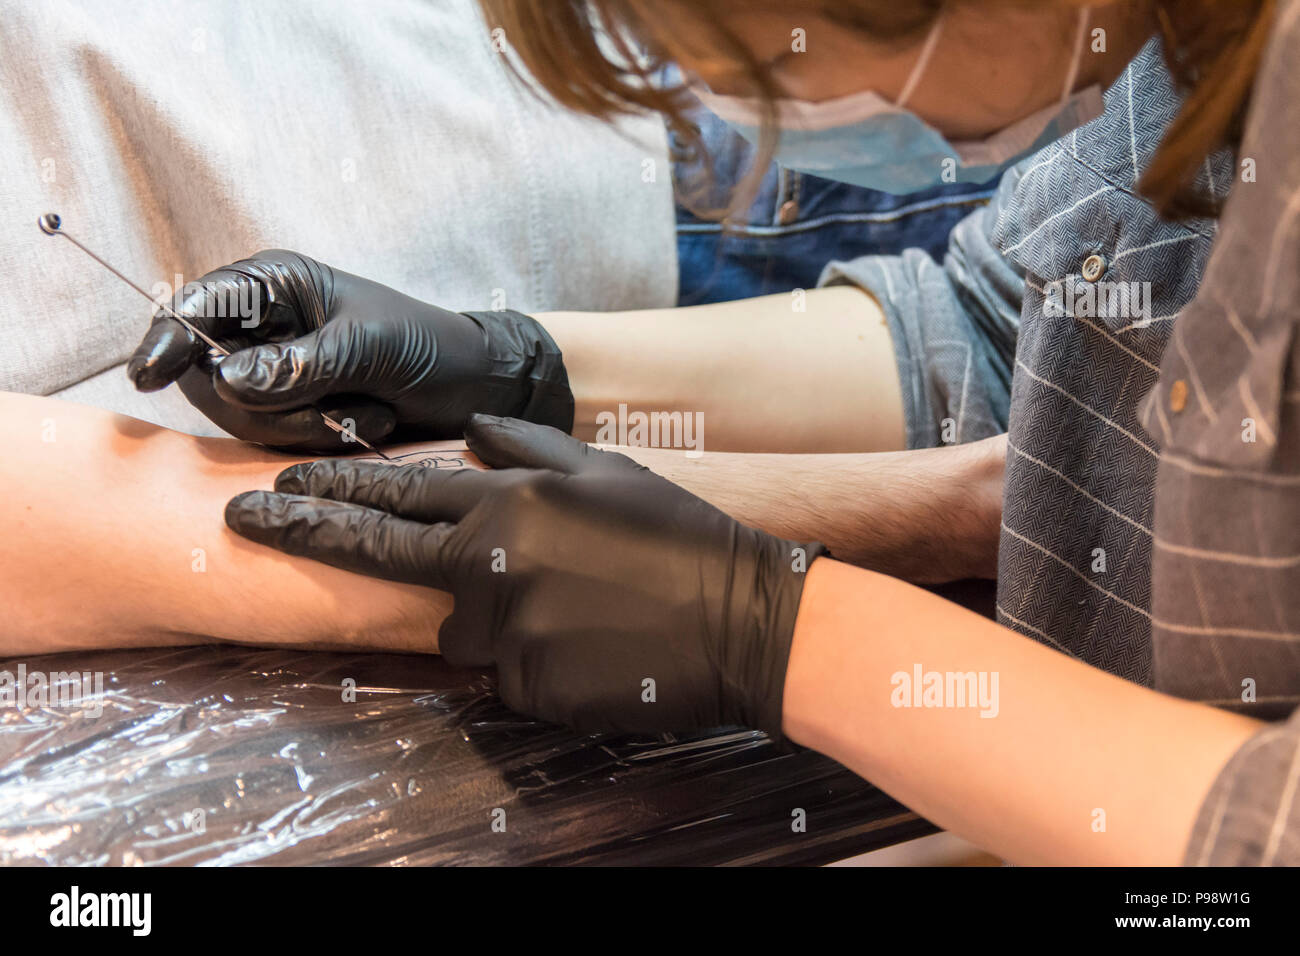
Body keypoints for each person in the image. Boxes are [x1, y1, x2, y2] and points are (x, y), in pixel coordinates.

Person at [138, 0, 1300, 864]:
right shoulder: (1200, 59)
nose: (728, 109)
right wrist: (517, 363)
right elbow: (1018, 341)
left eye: (744, 57)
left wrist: (782, 633)